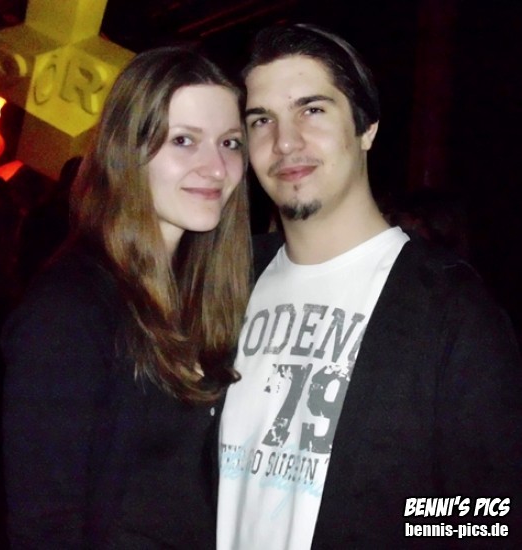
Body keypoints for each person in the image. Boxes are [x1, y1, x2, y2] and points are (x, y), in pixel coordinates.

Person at [217, 23, 522, 548]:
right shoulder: (226, 282)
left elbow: (490, 517)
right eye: (262, 119)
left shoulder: (448, 308)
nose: (285, 141)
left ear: (367, 128)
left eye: (312, 110)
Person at [1, 45, 251, 549]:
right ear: (126, 150)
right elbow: (45, 525)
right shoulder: (70, 310)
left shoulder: (205, 295)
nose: (217, 168)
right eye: (184, 140)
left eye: (230, 143)